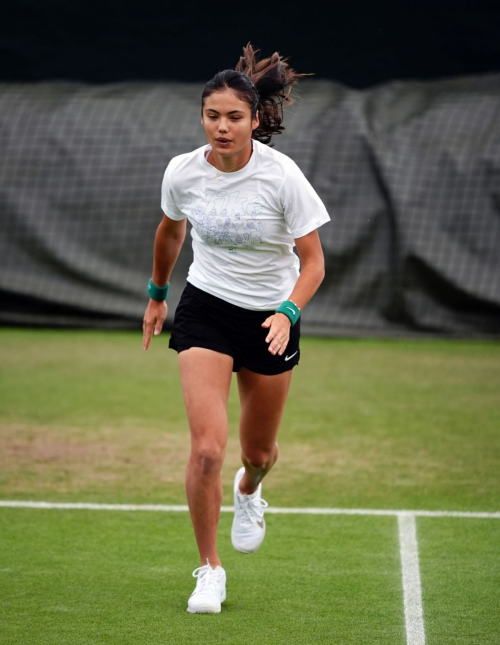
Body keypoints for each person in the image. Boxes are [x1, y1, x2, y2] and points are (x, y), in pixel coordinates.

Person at [142, 43, 330, 614]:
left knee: (260, 452)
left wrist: (288, 312)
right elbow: (171, 231)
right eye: (212, 116)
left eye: (234, 117)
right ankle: (209, 569)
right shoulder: (183, 171)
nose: (222, 127)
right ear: (202, 117)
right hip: (207, 307)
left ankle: (251, 490)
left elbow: (315, 261)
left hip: (273, 316)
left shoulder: (281, 176)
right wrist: (156, 293)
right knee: (205, 451)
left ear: (254, 120)